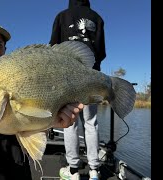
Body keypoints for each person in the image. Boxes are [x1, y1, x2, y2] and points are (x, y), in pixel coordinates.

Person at [0, 19, 85, 180]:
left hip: (19, 173)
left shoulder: (22, 76)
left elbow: (34, 121)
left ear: (4, 49)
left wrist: (54, 122)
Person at [49, 0, 106, 180]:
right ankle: (94, 170)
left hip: (68, 78)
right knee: (91, 122)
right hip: (92, 77)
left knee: (69, 122)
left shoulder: (61, 16)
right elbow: (102, 52)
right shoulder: (97, 18)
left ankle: (73, 170)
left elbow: (53, 47)